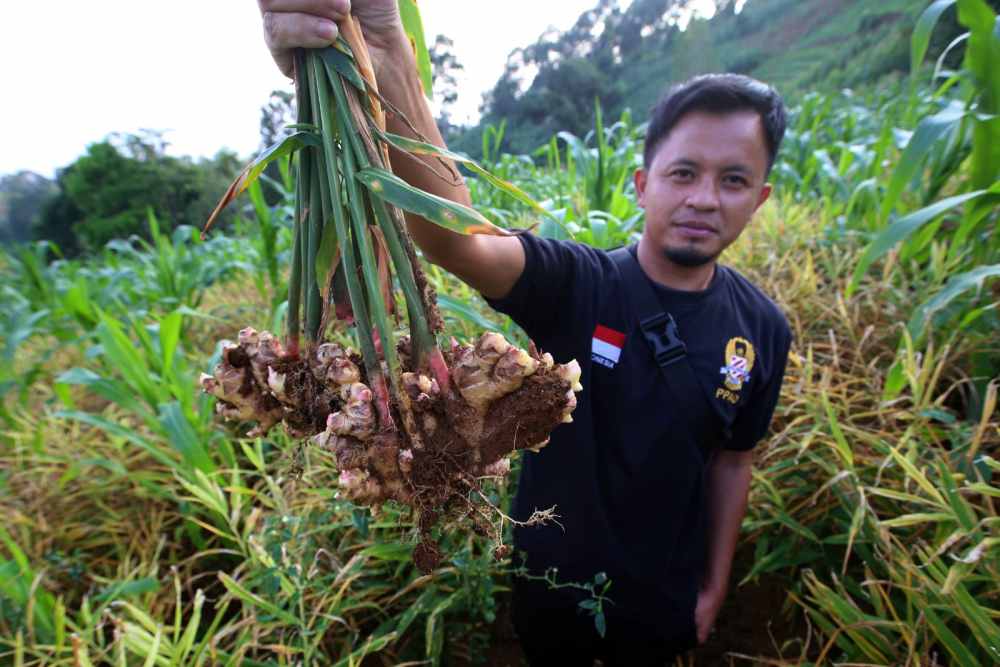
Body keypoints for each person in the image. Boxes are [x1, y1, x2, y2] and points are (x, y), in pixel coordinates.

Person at [257, 1, 792, 664]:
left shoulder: (763, 329)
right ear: (643, 183)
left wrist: (713, 586)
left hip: (665, 601)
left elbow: (733, 460)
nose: (706, 198)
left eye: (733, 180)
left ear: (760, 197)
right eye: (684, 173)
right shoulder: (581, 282)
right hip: (550, 594)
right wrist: (385, 46)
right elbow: (459, 239)